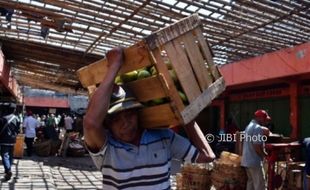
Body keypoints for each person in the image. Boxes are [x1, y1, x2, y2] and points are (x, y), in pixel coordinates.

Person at [83, 47, 215, 189]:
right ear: (107, 124)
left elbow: (206, 156)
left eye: (130, 114)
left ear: (138, 113)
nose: (125, 123)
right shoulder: (106, 148)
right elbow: (90, 123)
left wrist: (186, 112)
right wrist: (114, 65)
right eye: (116, 119)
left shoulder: (163, 137)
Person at [241, 109, 271, 190]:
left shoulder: (249, 126)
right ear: (260, 118)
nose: (265, 121)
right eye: (264, 119)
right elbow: (257, 146)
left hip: (246, 161)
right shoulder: (257, 128)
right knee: (260, 185)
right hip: (254, 161)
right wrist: (264, 155)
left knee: (251, 183)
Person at [0, 102, 20, 181]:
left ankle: (8, 170)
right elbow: (18, 130)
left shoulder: (3, 118)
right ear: (14, 110)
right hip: (12, 139)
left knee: (4, 155)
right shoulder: (17, 118)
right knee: (10, 155)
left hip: (4, 139)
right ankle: (8, 169)